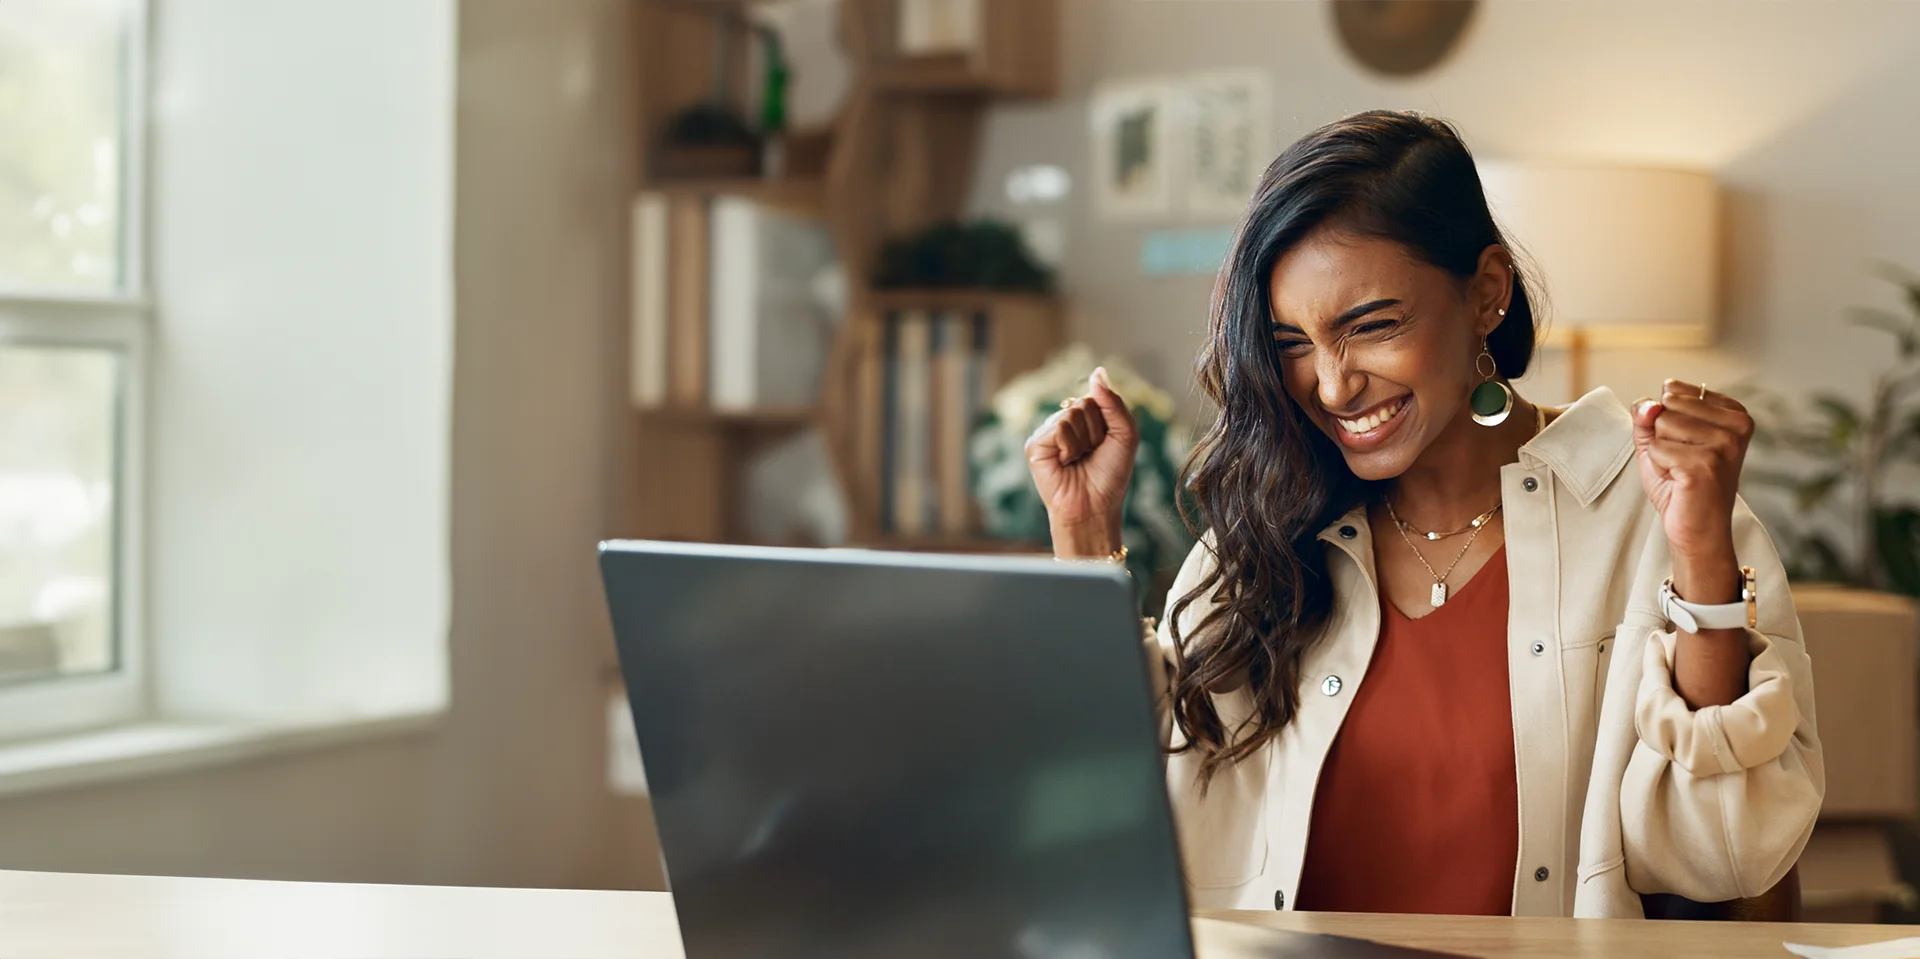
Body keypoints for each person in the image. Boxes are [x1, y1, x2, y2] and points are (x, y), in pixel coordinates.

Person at [1025, 111, 1821, 919]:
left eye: (1372, 326)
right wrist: (1085, 536)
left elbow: (1727, 851)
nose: (1332, 386)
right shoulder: (1267, 528)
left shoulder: (1652, 514)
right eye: (1292, 342)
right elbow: (1104, 804)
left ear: (1487, 292)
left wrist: (1700, 554)